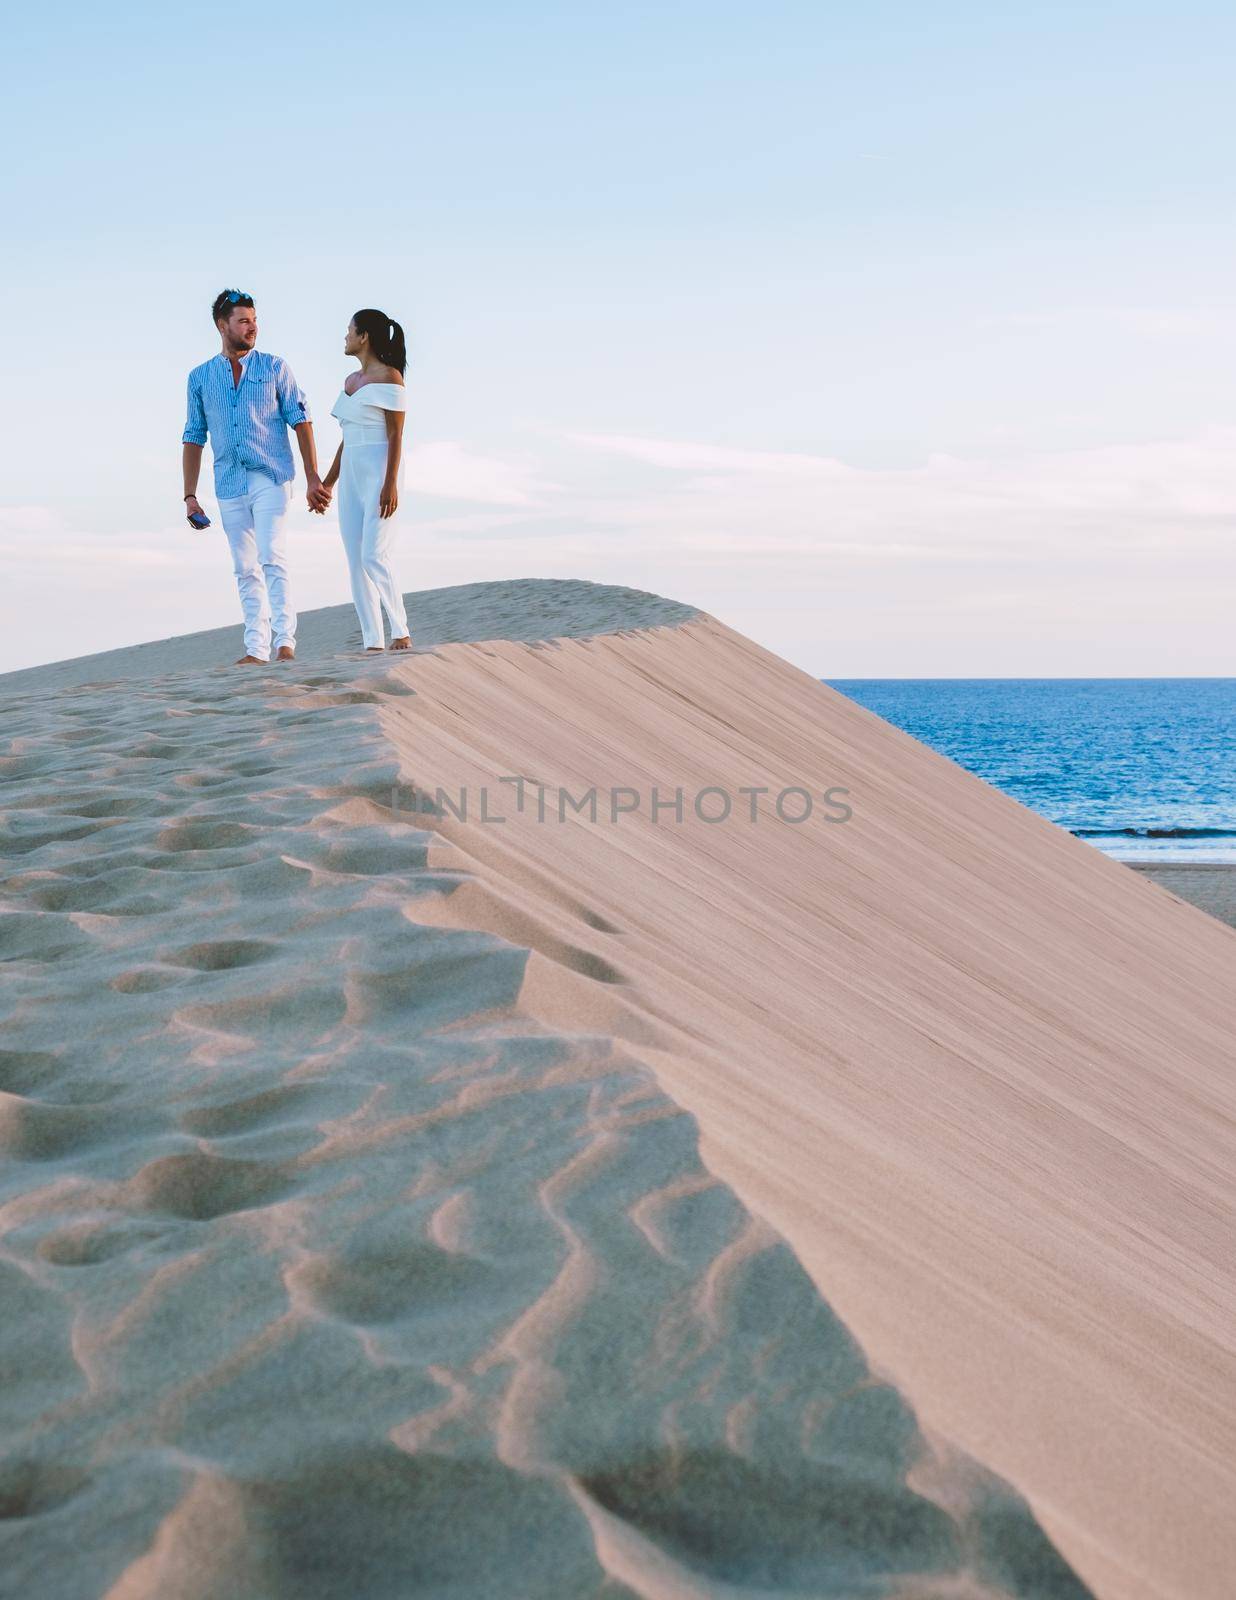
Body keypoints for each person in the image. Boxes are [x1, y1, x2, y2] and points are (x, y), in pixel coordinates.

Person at [182, 289, 330, 664]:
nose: (252, 327)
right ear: (222, 325)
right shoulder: (199, 378)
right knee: (244, 568)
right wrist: (190, 496)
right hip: (228, 482)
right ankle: (255, 649)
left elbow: (301, 420)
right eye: (243, 321)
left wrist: (313, 477)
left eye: (254, 320)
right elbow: (193, 436)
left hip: (270, 476)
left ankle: (285, 643)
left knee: (271, 556)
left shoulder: (275, 368)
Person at [323, 309, 412, 653]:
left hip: (380, 470)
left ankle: (400, 630)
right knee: (355, 560)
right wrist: (328, 483)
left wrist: (390, 483)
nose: (345, 337)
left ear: (364, 337)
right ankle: (372, 640)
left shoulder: (390, 377)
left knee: (374, 554)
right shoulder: (349, 382)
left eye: (349, 331)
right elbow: (346, 439)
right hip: (352, 475)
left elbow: (396, 435)